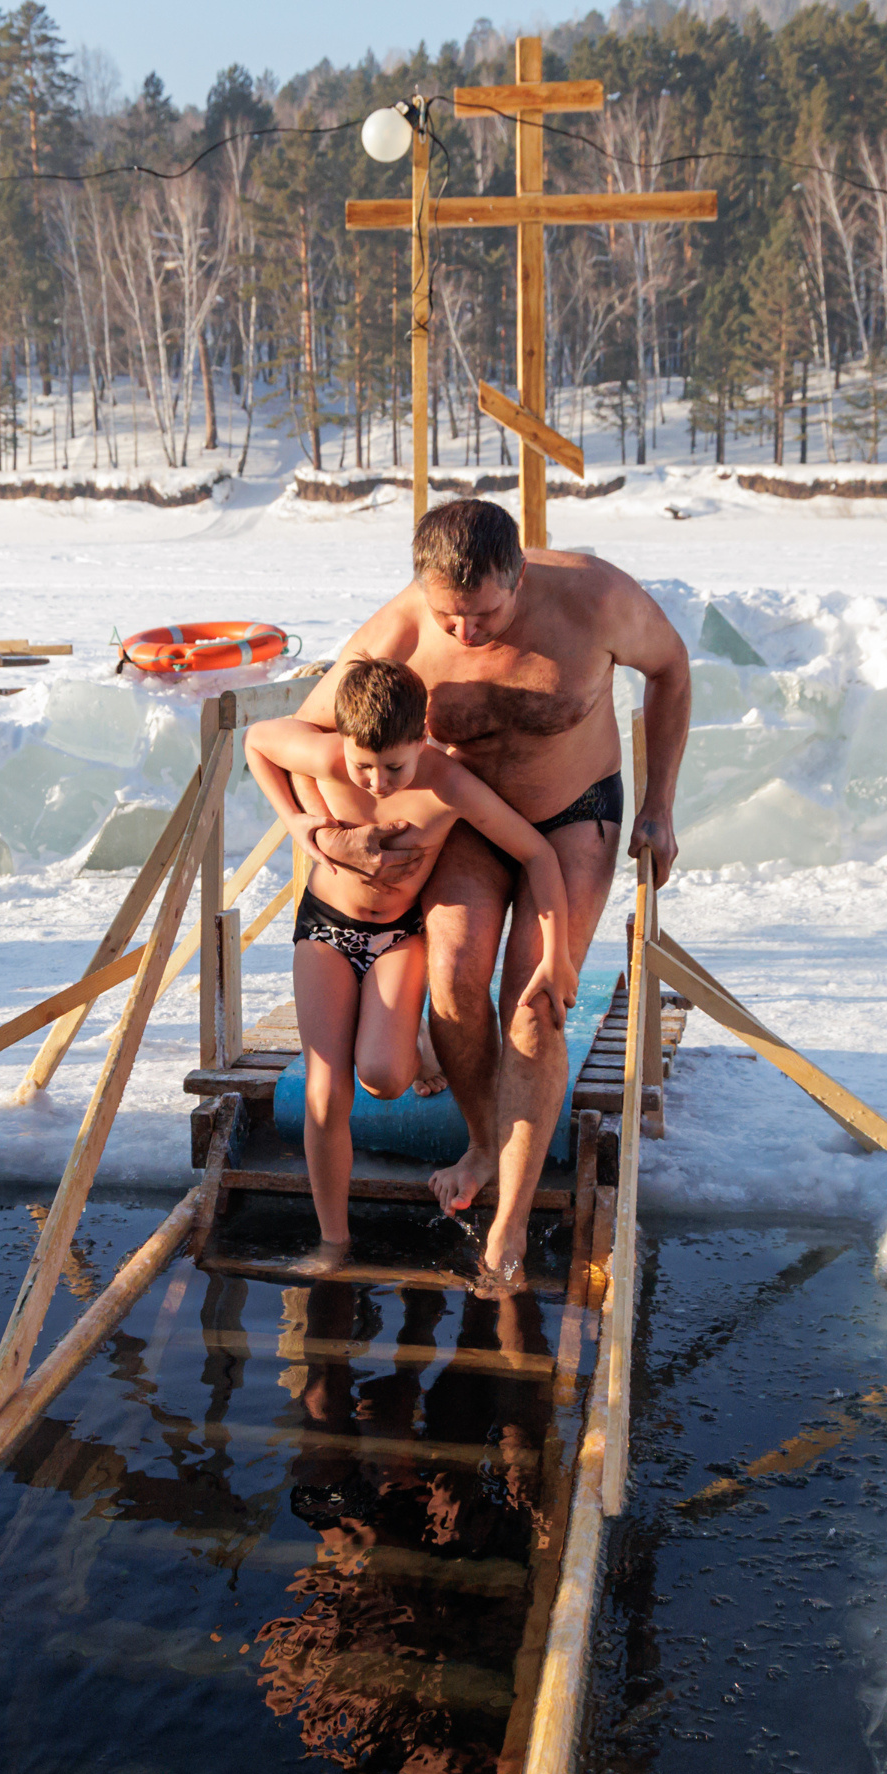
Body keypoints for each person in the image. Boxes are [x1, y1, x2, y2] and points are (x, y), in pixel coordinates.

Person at [289, 499, 691, 1284]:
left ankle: (508, 1220)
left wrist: (660, 805)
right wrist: (323, 832)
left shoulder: (597, 598)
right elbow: (304, 737)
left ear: (519, 575)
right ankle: (483, 1142)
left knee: (536, 1002)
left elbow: (671, 668)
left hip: (575, 816)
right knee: (452, 976)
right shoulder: (404, 629)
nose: (465, 633)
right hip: (472, 821)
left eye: (483, 613)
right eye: (450, 618)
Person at [246, 657, 568, 1278]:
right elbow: (258, 742)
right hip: (326, 927)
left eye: (393, 765)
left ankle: (417, 1048)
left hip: (398, 936)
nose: (374, 781)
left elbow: (537, 852)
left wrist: (554, 954)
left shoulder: (446, 784)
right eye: (362, 764)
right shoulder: (329, 759)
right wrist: (303, 826)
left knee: (384, 1076)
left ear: (421, 735)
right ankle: (333, 1243)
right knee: (324, 1088)